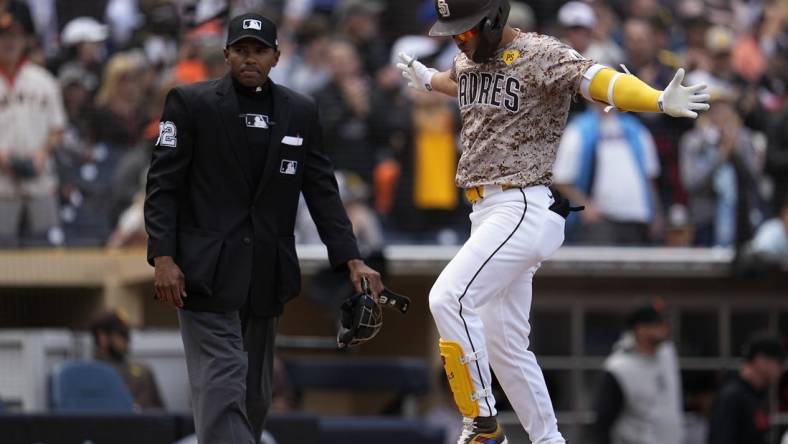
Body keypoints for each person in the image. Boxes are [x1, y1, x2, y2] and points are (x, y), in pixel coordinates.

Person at [396, 0, 709, 442]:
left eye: (465, 29)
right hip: (485, 211)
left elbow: (599, 81)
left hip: (521, 203)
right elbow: (459, 82)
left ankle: (482, 422)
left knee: (448, 297)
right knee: (506, 348)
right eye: (452, 30)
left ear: (494, 19)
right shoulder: (467, 56)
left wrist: (655, 99)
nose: (457, 37)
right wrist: (427, 79)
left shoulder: (541, 52)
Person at [144, 12, 383, 444]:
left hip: (266, 272)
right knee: (222, 384)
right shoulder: (190, 103)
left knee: (254, 397)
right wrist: (162, 257)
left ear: (276, 56)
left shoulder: (300, 111)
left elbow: (322, 191)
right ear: (226, 54)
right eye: (240, 50)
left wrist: (352, 259)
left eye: (258, 51)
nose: (248, 58)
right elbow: (162, 186)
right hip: (203, 274)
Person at [0, 6, 65, 247]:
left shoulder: (43, 80)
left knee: (46, 258)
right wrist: (3, 156)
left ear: (25, 41)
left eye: (15, 36)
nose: (10, 42)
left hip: (39, 183)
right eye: (4, 36)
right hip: (1, 187)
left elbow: (58, 128)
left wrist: (41, 153)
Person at [553, 103, 662, 245]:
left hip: (638, 218)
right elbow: (561, 179)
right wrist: (585, 207)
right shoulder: (579, 129)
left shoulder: (635, 128)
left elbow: (650, 176)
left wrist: (656, 212)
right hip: (601, 221)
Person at [592, 305, 684, 444]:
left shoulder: (667, 354)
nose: (664, 328)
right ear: (640, 329)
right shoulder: (618, 367)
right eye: (657, 324)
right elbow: (603, 421)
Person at [708, 336, 784, 444]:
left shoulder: (756, 393)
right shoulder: (732, 396)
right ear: (761, 360)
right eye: (778, 362)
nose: (781, 369)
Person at [90, 309, 164, 410]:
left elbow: (161, 412)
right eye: (122, 334)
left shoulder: (143, 373)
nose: (127, 340)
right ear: (102, 337)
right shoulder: (88, 375)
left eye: (128, 334)